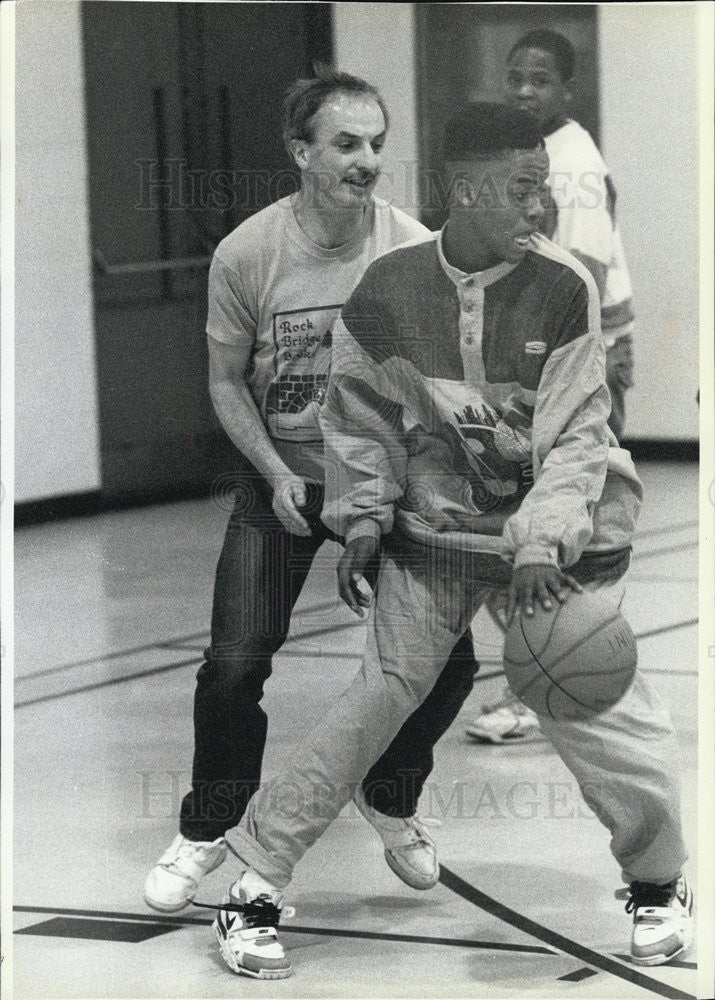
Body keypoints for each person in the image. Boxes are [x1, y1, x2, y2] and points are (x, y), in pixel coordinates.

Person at [204, 104, 692, 981]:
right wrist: (359, 521)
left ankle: (657, 882)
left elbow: (580, 434)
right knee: (376, 699)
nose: (540, 209)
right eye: (523, 190)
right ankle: (253, 883)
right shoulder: (389, 289)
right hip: (436, 535)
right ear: (465, 189)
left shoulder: (563, 285)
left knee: (590, 713)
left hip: (558, 539)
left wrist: (541, 541)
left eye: (544, 190)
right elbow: (358, 418)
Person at [143, 66, 480, 914]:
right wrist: (275, 473)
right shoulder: (248, 253)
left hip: (384, 482)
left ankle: (390, 795)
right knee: (232, 665)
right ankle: (208, 826)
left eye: (376, 144)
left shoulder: (410, 249)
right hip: (281, 477)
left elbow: (434, 387)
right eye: (346, 144)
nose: (367, 160)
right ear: (301, 151)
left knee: (450, 665)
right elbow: (226, 383)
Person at [466, 29, 637, 745]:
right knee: (524, 525)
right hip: (560, 361)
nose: (526, 91)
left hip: (584, 363)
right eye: (516, 78)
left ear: (567, 91)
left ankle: (540, 684)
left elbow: (584, 277)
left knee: (557, 524)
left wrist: (554, 375)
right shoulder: (538, 155)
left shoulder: (572, 166)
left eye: (541, 80)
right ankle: (550, 671)